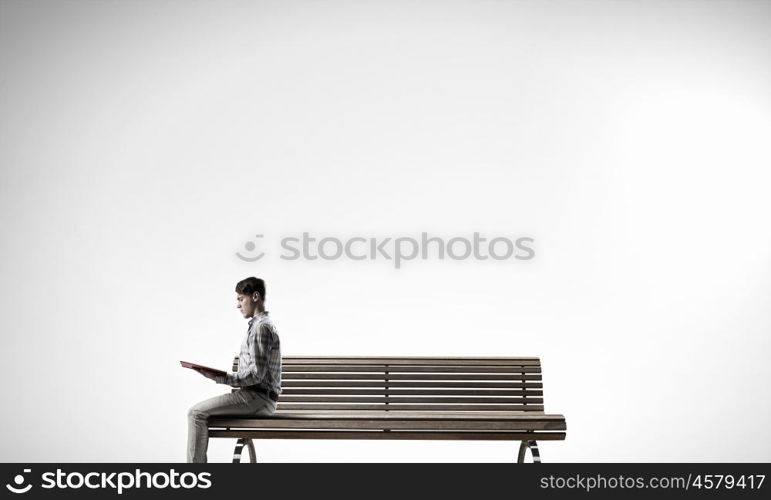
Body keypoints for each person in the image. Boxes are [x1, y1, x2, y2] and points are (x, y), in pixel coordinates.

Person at [186, 277, 282, 463]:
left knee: (195, 414)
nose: (238, 305)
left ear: (255, 296)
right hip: (257, 397)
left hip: (257, 398)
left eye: (240, 299)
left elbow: (256, 375)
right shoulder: (258, 326)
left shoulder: (261, 328)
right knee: (197, 413)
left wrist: (222, 378)